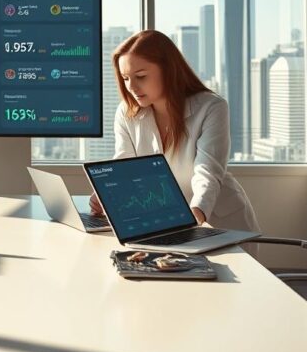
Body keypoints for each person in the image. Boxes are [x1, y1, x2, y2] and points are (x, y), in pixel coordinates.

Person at [90, 30, 261, 239]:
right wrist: (108, 194)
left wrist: (196, 212)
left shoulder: (211, 107)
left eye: (141, 76)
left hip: (221, 222)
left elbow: (207, 171)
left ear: (167, 70)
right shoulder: (127, 113)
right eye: (125, 78)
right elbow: (124, 165)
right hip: (169, 223)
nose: (131, 87)